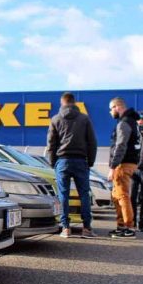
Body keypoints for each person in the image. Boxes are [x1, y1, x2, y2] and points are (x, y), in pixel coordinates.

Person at [47, 92, 97, 239]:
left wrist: (52, 162)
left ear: (62, 103)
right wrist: (91, 161)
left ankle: (66, 228)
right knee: (84, 194)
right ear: (74, 103)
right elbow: (92, 142)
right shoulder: (84, 119)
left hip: (62, 161)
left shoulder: (55, 119)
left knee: (63, 195)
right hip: (81, 160)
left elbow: (51, 143)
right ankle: (86, 228)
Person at [107, 97, 140, 238]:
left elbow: (120, 146)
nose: (110, 112)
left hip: (123, 164)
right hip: (129, 163)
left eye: (111, 108)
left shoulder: (124, 123)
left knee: (122, 195)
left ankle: (128, 227)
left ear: (117, 107)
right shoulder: (133, 123)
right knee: (116, 196)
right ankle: (121, 226)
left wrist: (113, 167)